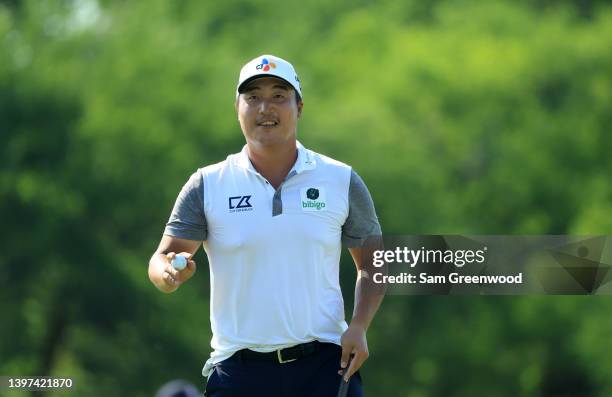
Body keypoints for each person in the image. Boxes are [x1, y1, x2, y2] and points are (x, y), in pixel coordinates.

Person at [148, 54, 384, 397]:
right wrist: (166, 275)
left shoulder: (340, 179)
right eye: (253, 97)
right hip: (237, 372)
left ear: (299, 107)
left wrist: (360, 326)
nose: (265, 108)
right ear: (237, 107)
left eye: (278, 96)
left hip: (323, 366)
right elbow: (163, 256)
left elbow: (373, 264)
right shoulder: (208, 184)